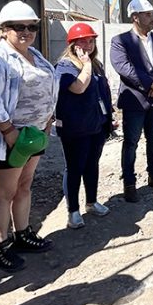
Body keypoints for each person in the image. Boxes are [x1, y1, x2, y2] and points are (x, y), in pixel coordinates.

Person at [0, 0, 56, 273]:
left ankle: (22, 234)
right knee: (5, 192)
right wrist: (8, 132)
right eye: (18, 26)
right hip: (11, 136)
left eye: (31, 26)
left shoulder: (34, 54)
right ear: (4, 28)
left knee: (25, 185)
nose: (26, 31)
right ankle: (1, 246)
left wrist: (47, 120)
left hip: (34, 134)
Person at [110, 0, 153, 202]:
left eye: (151, 13)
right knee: (131, 142)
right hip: (135, 101)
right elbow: (123, 68)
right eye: (147, 14)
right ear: (135, 17)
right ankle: (129, 183)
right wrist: (150, 84)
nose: (151, 17)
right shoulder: (120, 41)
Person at [55, 23, 113, 230]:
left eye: (91, 40)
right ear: (72, 44)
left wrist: (109, 117)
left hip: (96, 124)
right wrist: (86, 64)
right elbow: (78, 88)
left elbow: (103, 94)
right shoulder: (65, 66)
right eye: (83, 41)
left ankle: (91, 201)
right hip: (75, 127)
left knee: (92, 165)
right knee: (74, 168)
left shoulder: (96, 65)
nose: (88, 45)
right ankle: (73, 211)